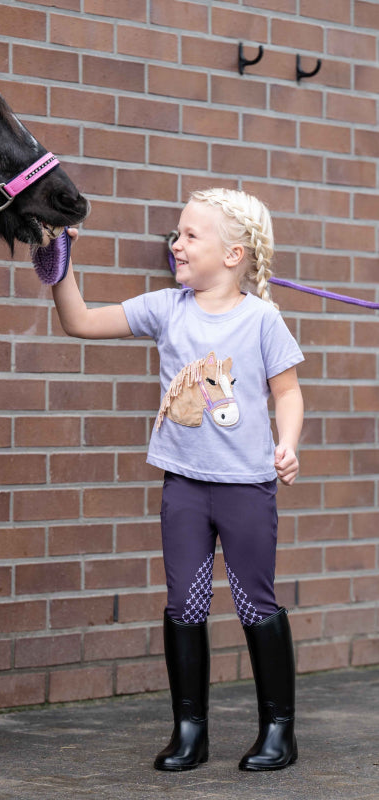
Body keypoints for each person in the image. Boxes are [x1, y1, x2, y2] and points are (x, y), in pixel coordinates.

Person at [51, 188, 304, 773]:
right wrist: (59, 263)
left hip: (245, 486)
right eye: (178, 233)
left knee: (253, 604)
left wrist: (286, 444)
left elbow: (287, 393)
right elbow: (80, 321)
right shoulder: (167, 308)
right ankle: (190, 731)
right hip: (185, 486)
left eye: (192, 235)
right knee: (184, 605)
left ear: (234, 254)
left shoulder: (261, 318)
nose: (178, 243)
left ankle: (278, 731)